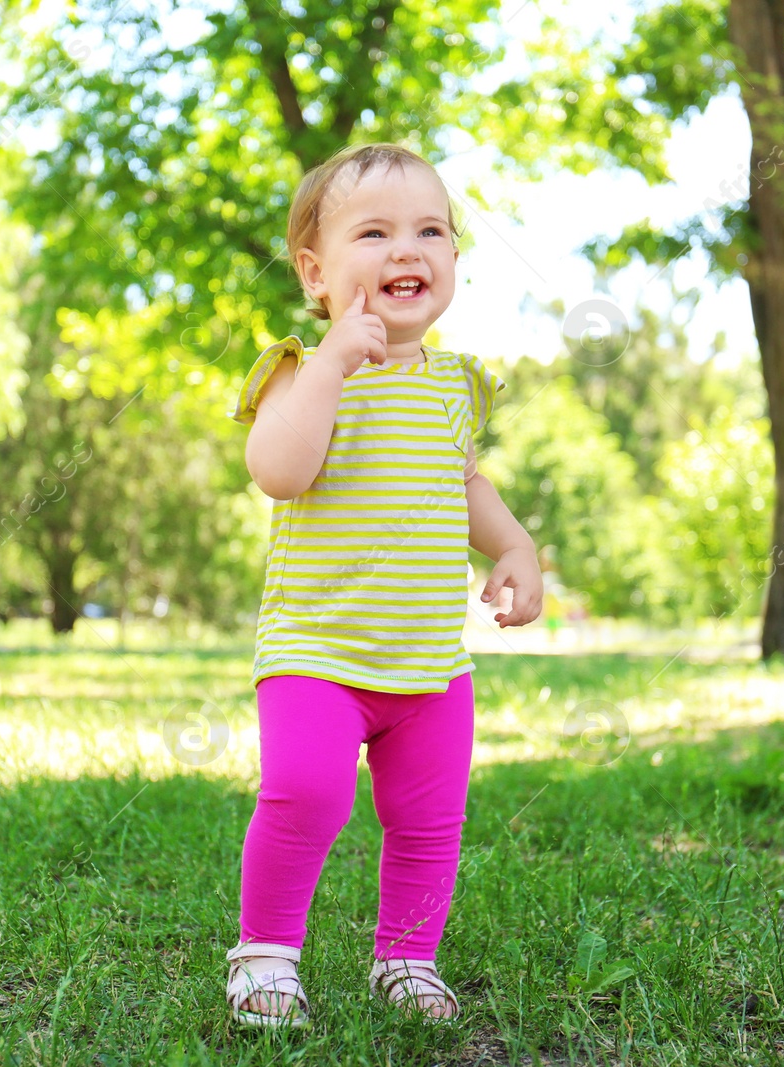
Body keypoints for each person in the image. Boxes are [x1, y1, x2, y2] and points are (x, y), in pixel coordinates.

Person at [223, 142, 542, 1028]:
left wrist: (515, 546)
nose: (409, 249)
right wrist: (330, 363)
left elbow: (464, 481)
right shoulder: (297, 367)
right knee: (307, 793)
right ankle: (266, 957)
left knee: (429, 817)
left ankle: (406, 959)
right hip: (315, 651)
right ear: (316, 272)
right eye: (377, 232)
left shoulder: (456, 383)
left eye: (430, 230)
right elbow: (278, 471)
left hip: (431, 660)